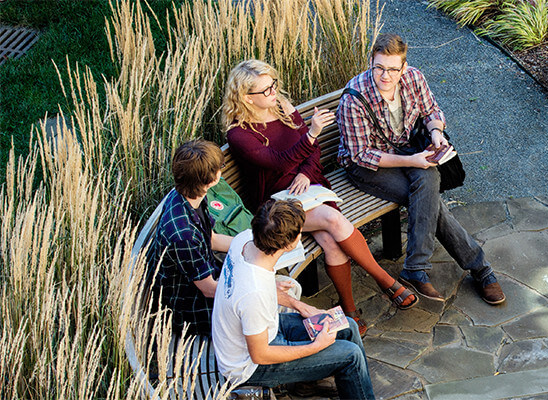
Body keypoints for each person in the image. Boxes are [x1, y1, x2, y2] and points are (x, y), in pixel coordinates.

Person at [223, 59, 417, 336]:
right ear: (246, 97)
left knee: (331, 241)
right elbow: (277, 163)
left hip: (308, 187)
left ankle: (349, 310)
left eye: (273, 85)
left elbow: (312, 154)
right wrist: (312, 133)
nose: (273, 93)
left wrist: (304, 173)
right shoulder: (239, 133)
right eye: (265, 90)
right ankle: (385, 280)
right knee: (331, 219)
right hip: (275, 204)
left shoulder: (282, 108)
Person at [336, 33, 504, 305]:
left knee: (428, 180)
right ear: (371, 62)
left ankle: (416, 269)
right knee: (429, 199)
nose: (385, 76)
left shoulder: (413, 77)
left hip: (407, 150)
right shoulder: (354, 98)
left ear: (403, 67)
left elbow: (431, 112)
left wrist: (436, 133)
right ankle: (480, 268)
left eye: (392, 69)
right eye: (379, 67)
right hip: (368, 167)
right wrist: (414, 161)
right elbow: (361, 155)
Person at [212, 199, 374, 398]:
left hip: (267, 330)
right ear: (290, 244)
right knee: (351, 356)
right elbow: (260, 354)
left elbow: (255, 288)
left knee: (348, 327)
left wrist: (300, 306)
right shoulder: (254, 292)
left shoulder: (245, 241)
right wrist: (316, 347)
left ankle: (309, 386)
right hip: (248, 367)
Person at [149, 139, 234, 337]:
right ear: (212, 179)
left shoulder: (188, 196)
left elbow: (210, 239)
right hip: (194, 311)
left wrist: (254, 244)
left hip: (208, 279)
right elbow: (210, 290)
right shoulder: (183, 235)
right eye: (220, 167)